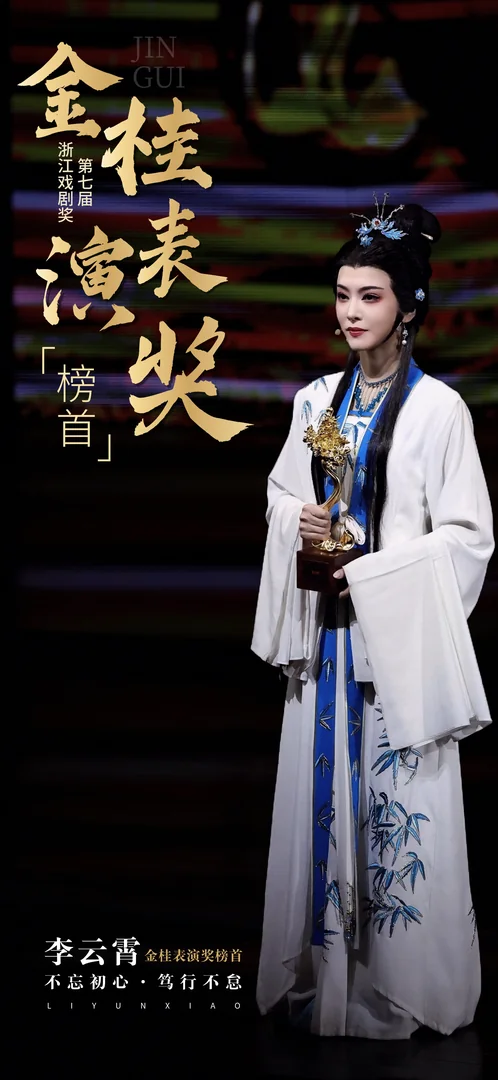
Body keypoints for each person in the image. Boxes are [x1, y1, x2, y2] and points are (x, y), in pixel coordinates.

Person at [251, 199, 494, 1039]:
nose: (351, 311)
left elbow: (468, 537)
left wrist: (376, 575)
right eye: (343, 294)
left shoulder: (439, 411)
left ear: (410, 306)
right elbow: (288, 494)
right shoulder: (319, 402)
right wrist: (304, 521)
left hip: (393, 648)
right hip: (326, 643)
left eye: (371, 295)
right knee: (322, 804)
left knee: (399, 819)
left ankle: (398, 989)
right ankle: (328, 983)